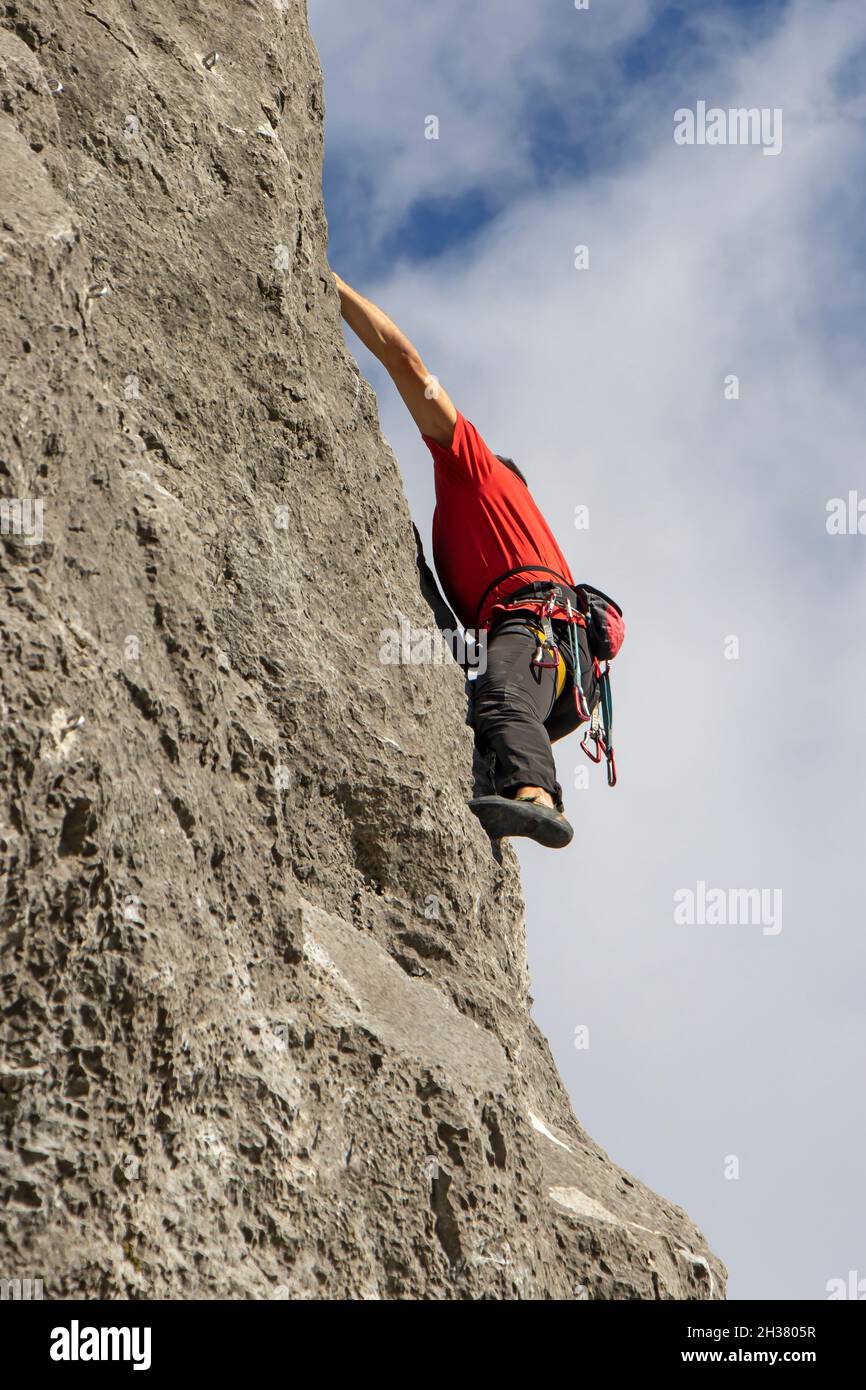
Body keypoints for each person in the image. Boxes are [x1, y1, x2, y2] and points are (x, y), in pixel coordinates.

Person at [334, 274, 602, 849]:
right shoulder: (481, 533)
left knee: (501, 698)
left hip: (531, 638)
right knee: (423, 660)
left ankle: (536, 796)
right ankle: (505, 783)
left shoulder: (475, 469)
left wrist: (331, 289)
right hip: (549, 670)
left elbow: (402, 358)